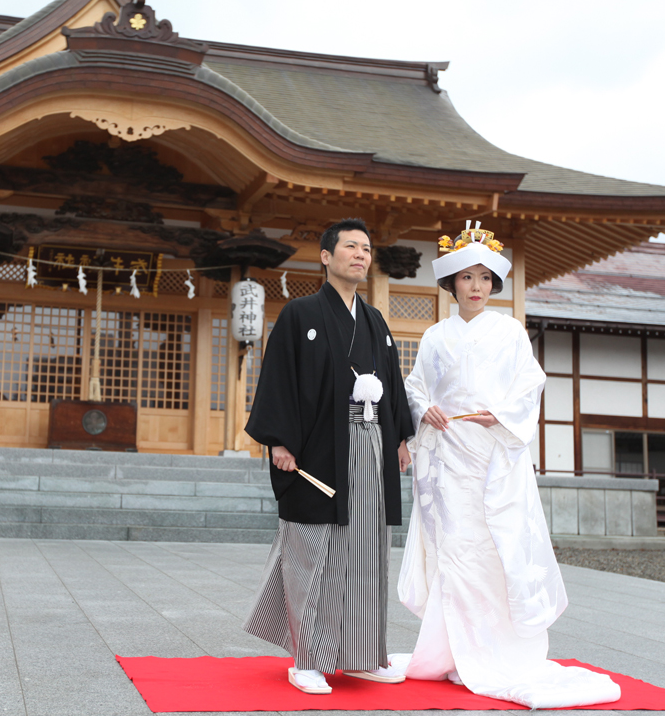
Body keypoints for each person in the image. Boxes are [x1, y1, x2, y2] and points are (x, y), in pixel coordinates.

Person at [396, 224, 621, 709]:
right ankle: (454, 652)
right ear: (451, 283)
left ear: (493, 285)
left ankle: (496, 651)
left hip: (495, 454)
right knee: (457, 553)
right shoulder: (435, 336)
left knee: (496, 551)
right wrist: (425, 410)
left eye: (483, 278)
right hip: (450, 454)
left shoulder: (510, 331)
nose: (475, 286)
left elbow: (530, 385)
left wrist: (499, 415)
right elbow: (414, 386)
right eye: (465, 277)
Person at [242, 218, 415, 695]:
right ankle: (307, 660)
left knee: (365, 551)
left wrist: (400, 437)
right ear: (325, 256)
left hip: (370, 447)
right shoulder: (300, 315)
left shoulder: (375, 321)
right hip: (318, 450)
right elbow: (278, 379)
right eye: (350, 247)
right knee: (313, 551)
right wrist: (278, 440)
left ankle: (362, 655)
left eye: (367, 248)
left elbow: (394, 387)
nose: (361, 254)